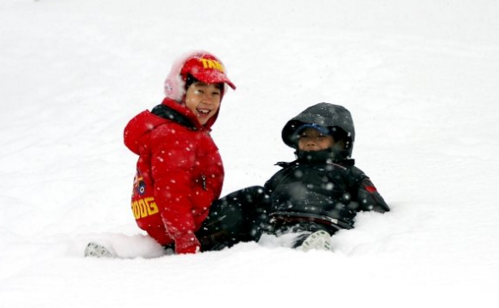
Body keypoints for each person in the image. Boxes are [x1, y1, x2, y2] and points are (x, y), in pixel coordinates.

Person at [86, 51, 236, 257]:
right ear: (181, 92)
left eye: (215, 93)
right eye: (200, 91)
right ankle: (286, 239)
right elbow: (172, 191)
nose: (208, 101)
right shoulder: (176, 135)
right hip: (184, 226)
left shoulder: (181, 129)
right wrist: (184, 238)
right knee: (253, 201)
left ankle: (132, 250)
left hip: (172, 224)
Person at [197, 102, 389, 252]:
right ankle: (204, 236)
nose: (311, 142)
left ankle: (308, 246)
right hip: (276, 224)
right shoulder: (285, 173)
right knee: (251, 198)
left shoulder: (348, 173)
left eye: (320, 136)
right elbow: (264, 200)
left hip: (322, 222)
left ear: (339, 142)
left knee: (306, 234)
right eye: (305, 136)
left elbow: (376, 210)